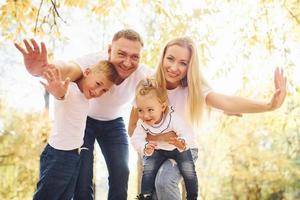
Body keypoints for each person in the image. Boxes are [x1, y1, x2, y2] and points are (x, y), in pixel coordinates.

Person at [128, 37, 287, 200]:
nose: (174, 67)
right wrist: (160, 138)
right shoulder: (147, 88)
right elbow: (132, 128)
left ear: (189, 66)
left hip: (182, 151)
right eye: (170, 59)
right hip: (152, 153)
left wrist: (269, 105)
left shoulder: (193, 90)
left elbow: (228, 101)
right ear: (162, 58)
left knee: (164, 181)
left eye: (183, 63)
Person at [14, 29, 152, 200]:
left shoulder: (143, 73)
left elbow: (168, 82)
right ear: (109, 50)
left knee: (121, 171)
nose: (127, 62)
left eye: (134, 57)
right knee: (82, 178)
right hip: (84, 122)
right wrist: (43, 69)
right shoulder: (93, 62)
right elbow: (66, 68)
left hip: (114, 123)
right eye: (121, 54)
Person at [30, 60, 119, 200]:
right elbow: (61, 94)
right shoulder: (69, 88)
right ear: (87, 72)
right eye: (98, 84)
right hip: (59, 155)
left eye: (104, 90)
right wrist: (57, 91)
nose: (97, 92)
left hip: (73, 156)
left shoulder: (85, 97)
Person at [131, 78, 198, 200]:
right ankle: (145, 196)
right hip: (159, 151)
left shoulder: (172, 118)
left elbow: (186, 132)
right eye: (140, 110)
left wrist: (182, 142)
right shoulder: (142, 123)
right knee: (148, 169)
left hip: (178, 149)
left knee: (188, 170)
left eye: (150, 110)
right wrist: (144, 147)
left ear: (162, 107)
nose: (145, 115)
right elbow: (136, 139)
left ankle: (192, 196)